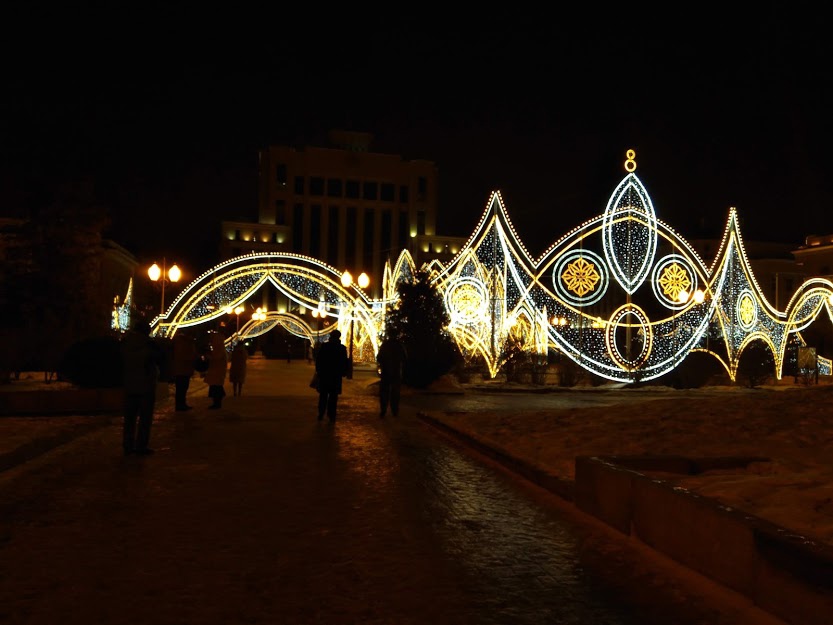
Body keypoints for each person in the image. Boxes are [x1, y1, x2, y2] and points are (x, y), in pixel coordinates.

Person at [120, 320, 165, 455]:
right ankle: (141, 446)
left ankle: (128, 445)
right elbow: (160, 359)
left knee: (129, 418)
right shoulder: (150, 345)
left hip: (128, 384)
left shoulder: (124, 343)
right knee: (145, 418)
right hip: (146, 385)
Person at [314, 329, 348, 422]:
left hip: (325, 375)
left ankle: (321, 413)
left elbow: (319, 360)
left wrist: (319, 371)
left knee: (323, 396)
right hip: (335, 376)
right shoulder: (342, 348)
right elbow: (344, 362)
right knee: (333, 397)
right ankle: (331, 415)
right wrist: (343, 372)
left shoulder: (325, 346)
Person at [376, 335, 407, 417]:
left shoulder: (385, 345)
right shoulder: (399, 345)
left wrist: (383, 364)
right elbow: (404, 358)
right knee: (395, 393)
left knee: (384, 392)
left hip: (386, 372)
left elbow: (379, 357)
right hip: (396, 372)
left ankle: (383, 410)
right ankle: (394, 410)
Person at [172, 330, 197, 411]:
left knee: (182, 388)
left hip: (182, 369)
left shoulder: (181, 342)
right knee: (181, 388)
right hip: (183, 369)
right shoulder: (184, 343)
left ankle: (181, 404)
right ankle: (180, 405)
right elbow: (186, 355)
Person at [205, 332, 228, 409]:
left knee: (216, 387)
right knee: (215, 387)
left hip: (217, 372)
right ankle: (216, 403)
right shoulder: (218, 348)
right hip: (216, 372)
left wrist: (208, 356)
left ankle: (217, 403)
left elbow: (216, 358)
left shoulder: (219, 349)